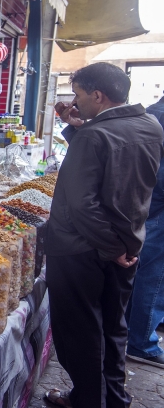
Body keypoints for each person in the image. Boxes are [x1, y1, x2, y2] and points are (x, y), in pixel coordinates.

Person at [45, 62, 164, 408]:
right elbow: (117, 160)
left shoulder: (96, 135)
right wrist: (78, 126)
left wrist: (110, 248)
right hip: (128, 242)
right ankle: (113, 398)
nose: (75, 102)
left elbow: (82, 204)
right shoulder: (150, 125)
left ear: (97, 95)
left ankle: (89, 402)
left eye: (79, 95)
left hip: (83, 250)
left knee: (81, 335)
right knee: (112, 330)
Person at [124, 90, 164, 368]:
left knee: (144, 273)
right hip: (156, 209)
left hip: (148, 207)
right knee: (153, 276)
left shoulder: (151, 113)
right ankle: (142, 343)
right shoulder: (156, 118)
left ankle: (132, 334)